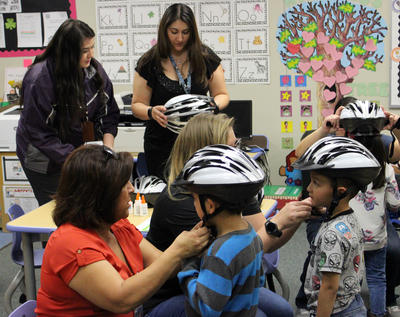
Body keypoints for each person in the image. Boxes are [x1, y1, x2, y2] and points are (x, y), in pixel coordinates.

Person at [144, 112, 312, 316]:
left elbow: (254, 246)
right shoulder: (184, 201)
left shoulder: (230, 189)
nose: (239, 153)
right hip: (182, 290)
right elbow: (228, 258)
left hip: (219, 277)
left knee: (282, 311)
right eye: (232, 147)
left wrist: (294, 218)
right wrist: (276, 223)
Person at [35, 144, 210, 316]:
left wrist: (195, 244)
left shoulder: (117, 226)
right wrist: (178, 250)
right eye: (123, 184)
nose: (131, 189)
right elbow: (121, 300)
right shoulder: (71, 244)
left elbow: (163, 262)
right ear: (100, 195)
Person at [294, 98, 400, 317]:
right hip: (350, 223)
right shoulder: (332, 143)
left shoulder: (377, 144)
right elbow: (300, 153)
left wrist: (395, 127)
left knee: (346, 272)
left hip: (354, 223)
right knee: (324, 252)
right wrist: (327, 128)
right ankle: (308, 299)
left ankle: (380, 301)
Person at [16, 19, 120, 206]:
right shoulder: (40, 80)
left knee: (87, 206)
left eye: (92, 47)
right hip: (45, 159)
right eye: (84, 50)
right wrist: (78, 157)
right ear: (67, 51)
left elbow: (109, 111)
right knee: (61, 210)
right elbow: (39, 134)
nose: (90, 55)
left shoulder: (93, 71)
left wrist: (108, 147)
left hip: (76, 153)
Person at [131, 3, 230, 179]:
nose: (179, 39)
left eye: (185, 32)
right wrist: (150, 112)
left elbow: (222, 95)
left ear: (192, 32)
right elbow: (137, 105)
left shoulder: (205, 57)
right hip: (161, 145)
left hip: (199, 141)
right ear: (164, 31)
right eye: (174, 32)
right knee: (167, 194)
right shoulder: (149, 62)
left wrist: (212, 106)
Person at [293, 136, 382, 317]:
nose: (308, 188)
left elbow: (329, 287)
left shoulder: (332, 234)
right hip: (351, 303)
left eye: (316, 183)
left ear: (339, 192)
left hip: (336, 311)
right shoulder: (348, 217)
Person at [175, 144, 266, 316]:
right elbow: (259, 280)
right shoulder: (251, 234)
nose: (193, 203)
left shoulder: (219, 252)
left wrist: (188, 264)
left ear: (209, 205)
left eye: (194, 198)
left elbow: (205, 308)